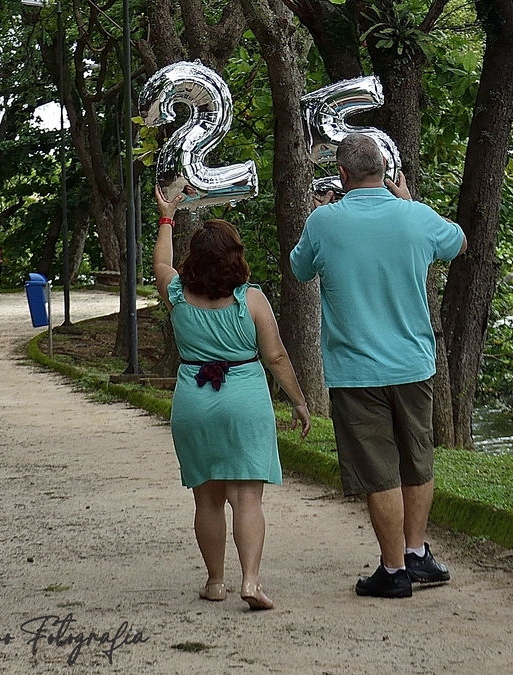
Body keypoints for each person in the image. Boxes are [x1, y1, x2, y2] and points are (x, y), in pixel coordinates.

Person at [290, 133, 466, 599]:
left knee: (379, 470)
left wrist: (319, 212)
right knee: (418, 460)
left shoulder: (324, 221)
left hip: (356, 370)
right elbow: (458, 241)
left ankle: (393, 571)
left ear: (342, 174)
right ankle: (417, 553)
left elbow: (300, 269)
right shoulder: (416, 216)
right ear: (386, 172)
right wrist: (409, 203)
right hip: (413, 364)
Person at [152, 180, 311, 611]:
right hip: (244, 399)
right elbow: (275, 356)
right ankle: (251, 581)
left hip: (194, 400)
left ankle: (215, 581)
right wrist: (298, 400)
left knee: (207, 499)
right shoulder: (251, 300)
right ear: (236, 257)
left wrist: (167, 217)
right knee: (246, 497)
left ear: (193, 259)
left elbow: (160, 263)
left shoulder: (177, 295)